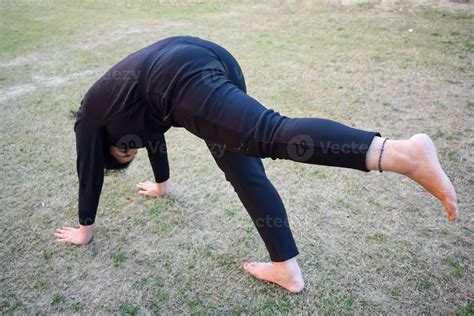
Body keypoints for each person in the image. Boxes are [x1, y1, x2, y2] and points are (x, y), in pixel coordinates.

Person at [55, 35, 459, 293]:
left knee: (268, 132)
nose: (132, 150)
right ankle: (286, 267)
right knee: (243, 168)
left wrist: (85, 230)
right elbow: (154, 135)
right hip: (202, 56)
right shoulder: (125, 116)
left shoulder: (91, 120)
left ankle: (401, 154)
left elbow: (87, 171)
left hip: (176, 76)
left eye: (124, 153)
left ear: (107, 148)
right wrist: (162, 184)